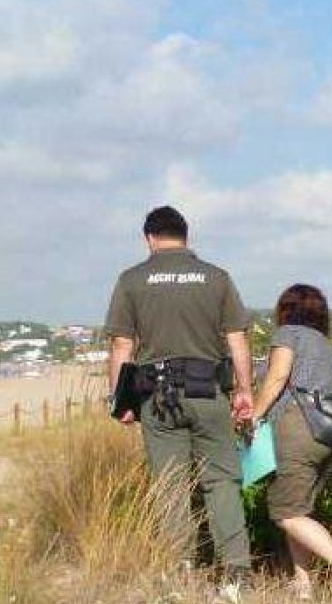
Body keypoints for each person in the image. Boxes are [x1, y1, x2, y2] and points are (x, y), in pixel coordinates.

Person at [105, 205, 255, 584]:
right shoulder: (217, 278)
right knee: (221, 480)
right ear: (186, 236)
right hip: (209, 392)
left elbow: (122, 345)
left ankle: (181, 566)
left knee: (171, 481)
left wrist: (119, 401)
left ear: (149, 237)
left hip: (157, 396)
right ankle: (236, 570)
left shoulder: (132, 280)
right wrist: (245, 392)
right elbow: (237, 341)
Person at [252, 284, 332, 599]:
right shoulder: (326, 345)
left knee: (285, 512)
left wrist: (255, 415)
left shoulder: (288, 335)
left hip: (296, 426)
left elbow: (277, 378)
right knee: (300, 509)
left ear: (286, 309)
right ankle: (303, 583)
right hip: (328, 433)